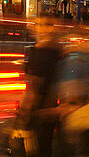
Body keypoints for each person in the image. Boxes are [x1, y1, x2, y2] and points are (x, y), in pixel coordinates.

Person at [19, 15, 64, 156]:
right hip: (50, 109)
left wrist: (24, 108)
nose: (41, 28)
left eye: (46, 25)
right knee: (45, 148)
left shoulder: (43, 52)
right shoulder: (57, 50)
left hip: (39, 109)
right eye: (38, 24)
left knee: (36, 149)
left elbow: (35, 83)